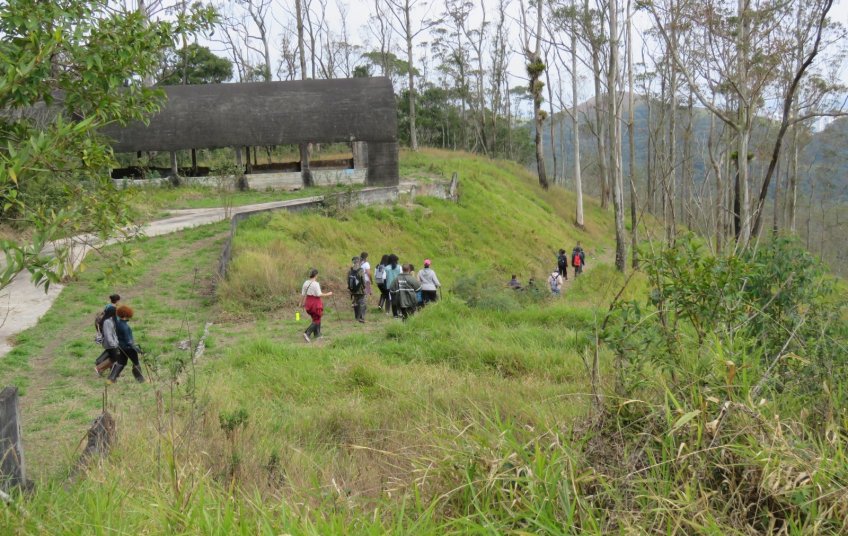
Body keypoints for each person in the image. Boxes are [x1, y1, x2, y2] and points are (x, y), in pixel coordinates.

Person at [109, 305, 145, 383]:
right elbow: (129, 341)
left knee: (121, 363)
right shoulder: (125, 327)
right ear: (126, 315)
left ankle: (111, 379)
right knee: (136, 363)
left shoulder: (117, 323)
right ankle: (140, 380)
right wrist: (137, 349)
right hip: (129, 348)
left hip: (120, 347)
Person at [301, 268, 333, 342]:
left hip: (308, 302)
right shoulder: (316, 284)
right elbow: (319, 294)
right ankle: (307, 333)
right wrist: (328, 294)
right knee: (317, 318)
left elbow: (303, 294)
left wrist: (301, 303)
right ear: (316, 275)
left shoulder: (306, 282)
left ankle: (317, 334)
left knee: (315, 318)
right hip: (315, 303)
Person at [95, 307, 119, 376]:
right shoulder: (107, 322)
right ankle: (98, 368)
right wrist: (113, 343)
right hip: (110, 344)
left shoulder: (109, 320)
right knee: (114, 357)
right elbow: (108, 334)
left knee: (114, 357)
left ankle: (102, 369)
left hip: (112, 343)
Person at [348, 256, 367, 323]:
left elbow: (348, 280)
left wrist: (350, 289)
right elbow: (363, 280)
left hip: (353, 289)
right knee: (362, 302)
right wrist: (364, 287)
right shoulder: (361, 270)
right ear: (359, 261)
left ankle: (356, 317)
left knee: (356, 302)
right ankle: (361, 318)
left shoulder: (350, 270)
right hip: (360, 289)